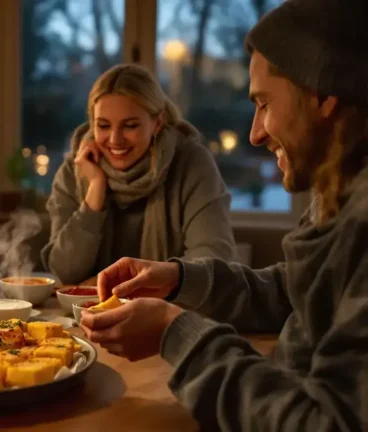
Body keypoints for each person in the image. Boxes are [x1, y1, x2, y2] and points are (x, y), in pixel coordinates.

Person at [80, 0, 368, 429]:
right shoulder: (338, 195)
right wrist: (179, 279)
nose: (254, 133)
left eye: (264, 104)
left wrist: (174, 332)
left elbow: (324, 422)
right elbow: (290, 292)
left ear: (323, 96)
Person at [41, 64, 237, 285]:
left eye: (130, 125)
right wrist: (95, 190)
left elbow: (211, 264)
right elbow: (64, 271)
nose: (115, 139)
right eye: (103, 126)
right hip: (84, 315)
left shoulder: (192, 163)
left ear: (157, 123)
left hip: (169, 314)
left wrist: (121, 287)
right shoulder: (75, 170)